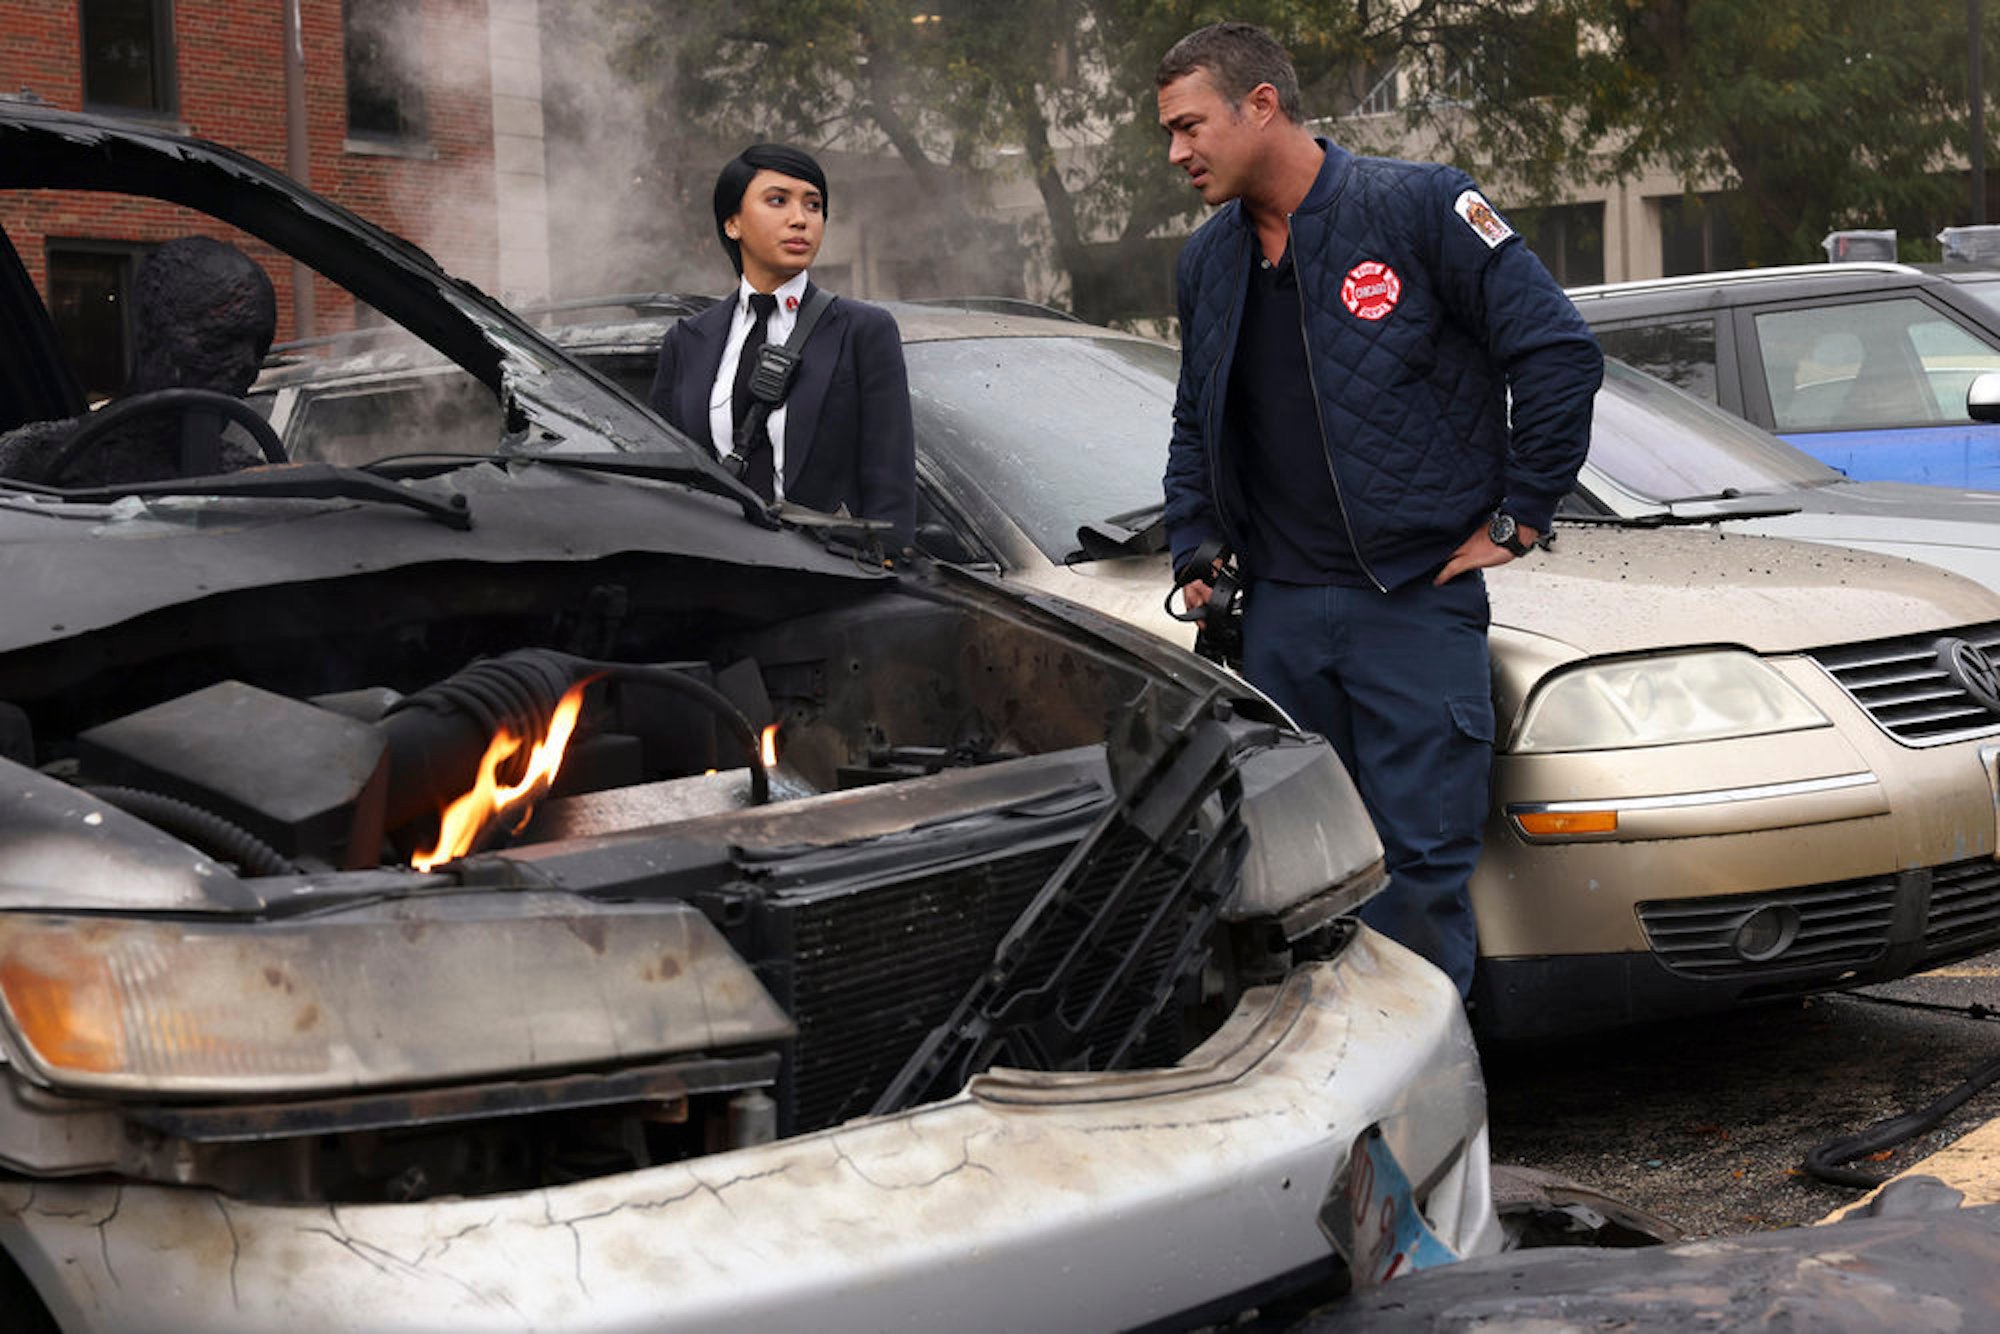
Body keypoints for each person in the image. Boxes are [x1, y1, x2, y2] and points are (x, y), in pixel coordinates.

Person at [1155, 22, 1602, 998]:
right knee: (1297, 882)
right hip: (1275, 620)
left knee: (1415, 879)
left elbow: (1557, 352)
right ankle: (1334, 1127)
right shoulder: (1205, 262)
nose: (1177, 153)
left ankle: (1421, 1129)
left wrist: (1519, 513)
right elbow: (1196, 415)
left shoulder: (1422, 205)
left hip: (1408, 603)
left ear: (1259, 105)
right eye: (1169, 135)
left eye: (1190, 127)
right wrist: (1192, 539)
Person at [648, 143, 916, 551]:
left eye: (813, 205)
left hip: (827, 583)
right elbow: (667, 483)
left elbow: (890, 483)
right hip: (715, 576)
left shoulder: (863, 331)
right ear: (732, 223)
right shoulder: (688, 340)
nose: (800, 220)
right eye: (778, 201)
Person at [0, 235, 276, 487]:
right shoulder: (32, 460)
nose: (247, 365)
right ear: (149, 331)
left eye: (261, 347)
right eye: (221, 338)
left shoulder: (245, 477)